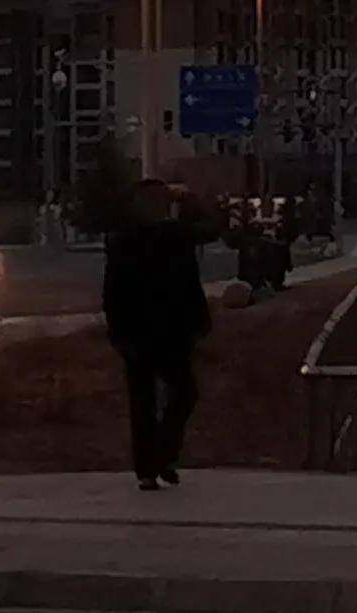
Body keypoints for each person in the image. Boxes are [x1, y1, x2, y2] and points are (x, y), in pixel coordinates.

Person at [100, 179, 210, 492]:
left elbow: (111, 292)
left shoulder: (143, 237)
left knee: (158, 397)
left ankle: (154, 463)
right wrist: (190, 199)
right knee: (170, 395)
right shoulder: (156, 237)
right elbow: (113, 292)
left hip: (154, 330)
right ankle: (158, 460)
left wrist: (117, 332)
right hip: (157, 330)